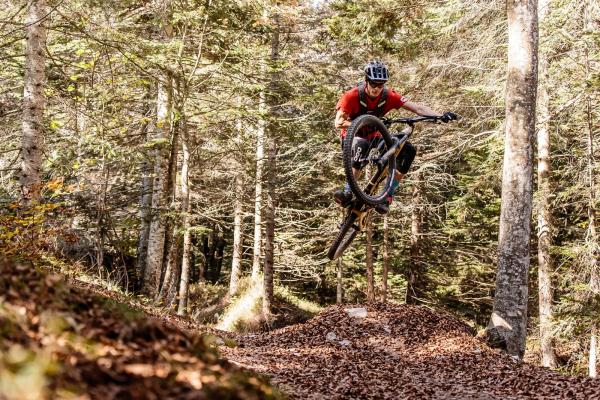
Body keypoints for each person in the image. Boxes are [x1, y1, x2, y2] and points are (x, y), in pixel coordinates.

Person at [334, 60, 457, 214]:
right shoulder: (352, 96)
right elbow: (339, 122)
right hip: (353, 137)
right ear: (366, 81)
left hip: (375, 136)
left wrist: (440, 116)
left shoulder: (388, 95)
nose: (376, 88)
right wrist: (362, 123)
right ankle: (347, 190)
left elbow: (417, 108)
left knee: (408, 150)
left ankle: (388, 195)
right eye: (373, 84)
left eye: (381, 84)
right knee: (361, 145)